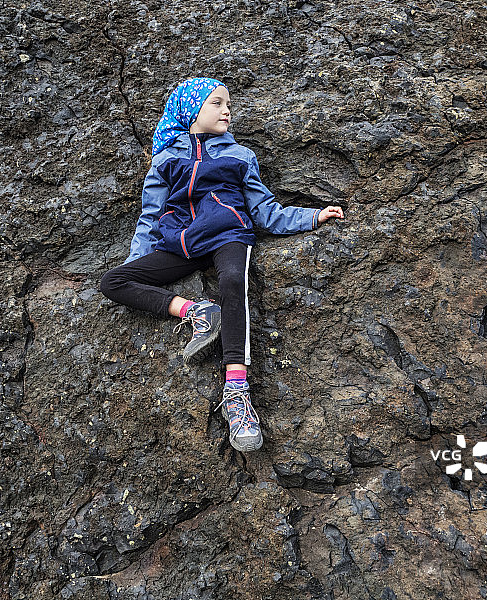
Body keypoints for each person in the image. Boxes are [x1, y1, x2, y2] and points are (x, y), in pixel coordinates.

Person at [99, 77, 344, 452]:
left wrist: (312, 216)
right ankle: (197, 312)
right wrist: (139, 264)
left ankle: (237, 395)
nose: (227, 110)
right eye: (216, 103)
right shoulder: (165, 160)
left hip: (229, 235)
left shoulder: (240, 156)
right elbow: (149, 219)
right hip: (182, 242)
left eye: (228, 104)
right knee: (113, 282)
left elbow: (265, 212)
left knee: (232, 281)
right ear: (191, 110)